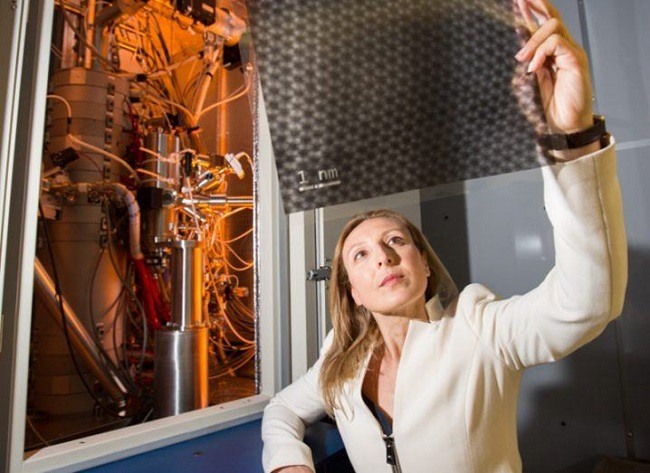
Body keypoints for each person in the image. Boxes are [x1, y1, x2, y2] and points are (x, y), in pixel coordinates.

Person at [261, 0, 628, 471]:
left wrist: (571, 138)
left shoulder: (480, 330)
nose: (384, 258)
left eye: (396, 242)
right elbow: (283, 409)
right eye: (361, 254)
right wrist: (289, 463)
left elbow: (588, 305)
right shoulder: (341, 358)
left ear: (423, 262)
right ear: (351, 291)